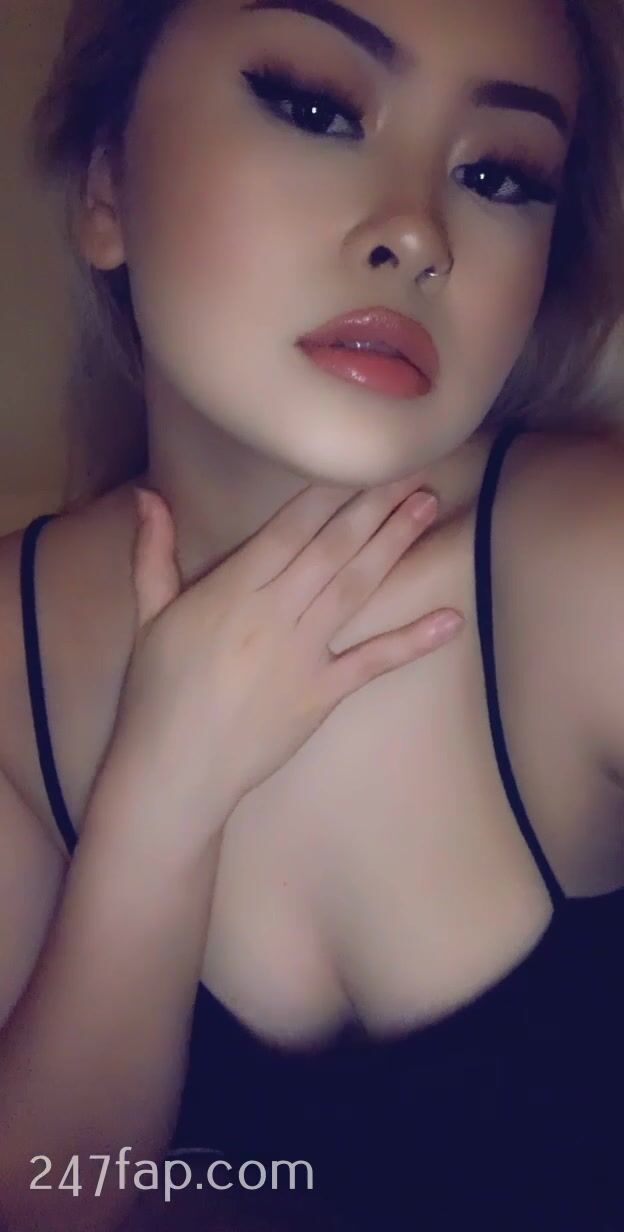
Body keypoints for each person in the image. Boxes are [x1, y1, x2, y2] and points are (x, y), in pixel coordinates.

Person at [0, 0, 624, 1229]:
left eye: (500, 174)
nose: (416, 230)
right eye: (316, 107)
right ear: (108, 187)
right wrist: (161, 801)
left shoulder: (597, 571)